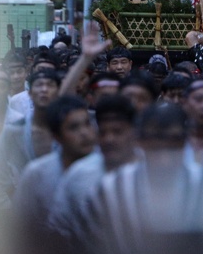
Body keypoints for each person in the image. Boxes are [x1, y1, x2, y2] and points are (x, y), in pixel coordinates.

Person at [71, 103, 203, 254]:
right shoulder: (109, 191)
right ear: (140, 141)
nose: (164, 157)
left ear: (185, 141)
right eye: (155, 142)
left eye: (173, 141)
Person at [50, 95, 138, 243]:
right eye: (103, 133)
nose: (109, 139)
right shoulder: (79, 174)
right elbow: (58, 230)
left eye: (117, 132)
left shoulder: (152, 172)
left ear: (134, 132)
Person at [14, 95, 96, 246]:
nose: (84, 133)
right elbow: (22, 226)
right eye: (73, 127)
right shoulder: (36, 173)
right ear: (57, 136)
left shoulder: (104, 169)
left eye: (87, 124)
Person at [0, 67, 61, 209]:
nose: (44, 89)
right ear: (30, 93)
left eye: (50, 85)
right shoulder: (15, 130)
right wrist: (15, 198)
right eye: (39, 85)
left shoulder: (66, 128)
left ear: (58, 92)